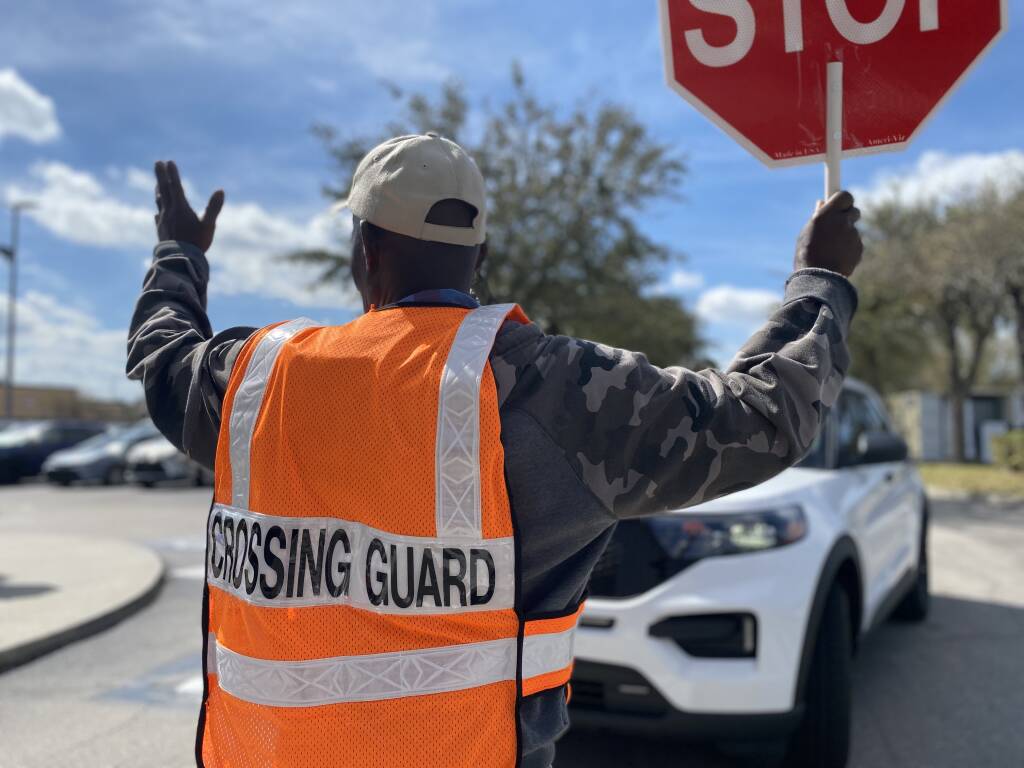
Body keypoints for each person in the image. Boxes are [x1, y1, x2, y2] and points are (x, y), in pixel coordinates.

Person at [127, 133, 862, 768]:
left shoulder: (255, 380)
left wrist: (180, 253)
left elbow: (161, 355)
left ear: (365, 249)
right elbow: (764, 415)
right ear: (479, 254)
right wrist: (819, 281)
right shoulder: (555, 389)